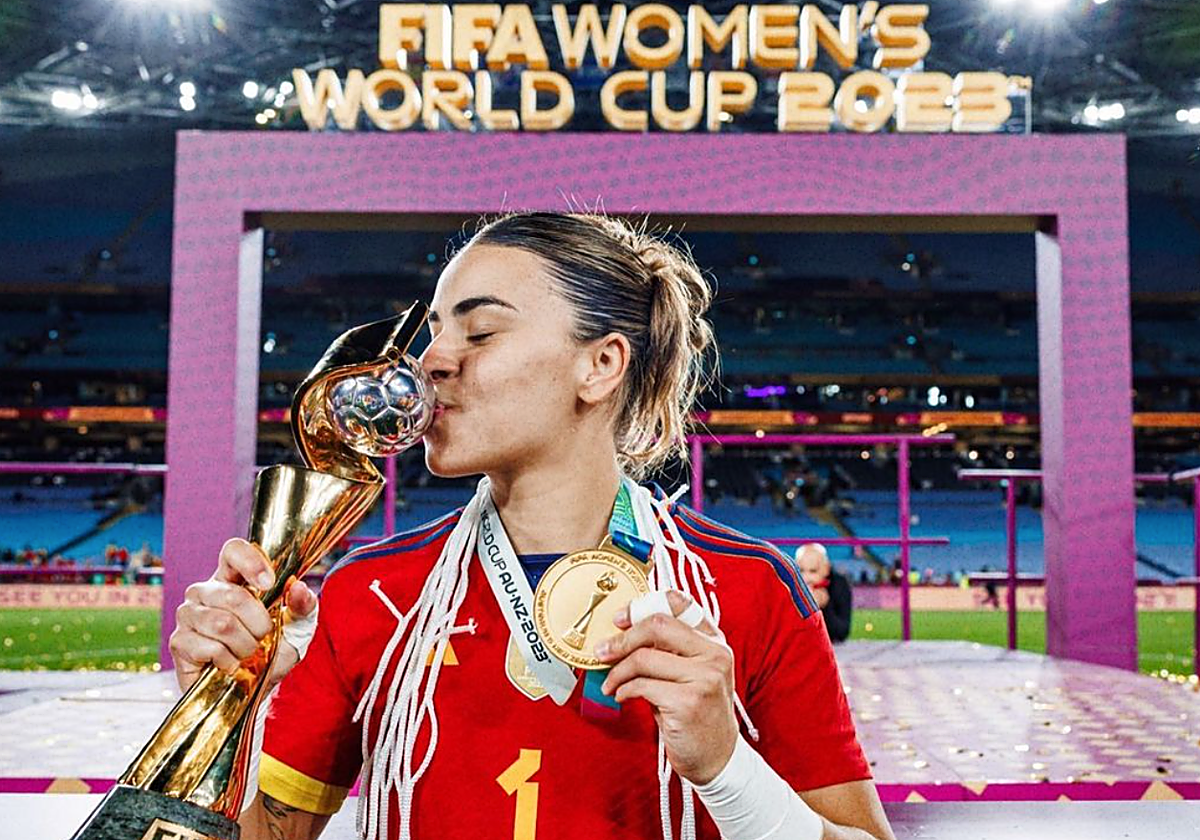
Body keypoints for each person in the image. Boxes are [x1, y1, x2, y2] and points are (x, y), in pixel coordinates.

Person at [169, 212, 894, 840]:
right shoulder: (373, 593)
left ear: (601, 365)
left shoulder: (748, 590)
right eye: (434, 332)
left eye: (480, 331)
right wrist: (220, 714)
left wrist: (727, 767)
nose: (431, 361)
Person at [795, 543, 852, 643]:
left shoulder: (839, 584)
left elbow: (841, 633)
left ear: (826, 568)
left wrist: (825, 607)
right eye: (801, 571)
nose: (807, 578)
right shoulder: (789, 585)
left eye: (813, 571)